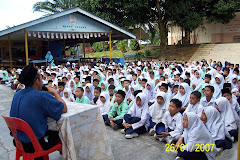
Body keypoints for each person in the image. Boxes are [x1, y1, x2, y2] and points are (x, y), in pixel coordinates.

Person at [10, 65, 67, 160]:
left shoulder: (17, 95)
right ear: (37, 81)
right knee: (63, 133)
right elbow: (64, 109)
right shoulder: (42, 96)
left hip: (18, 141)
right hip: (35, 144)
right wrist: (55, 92)